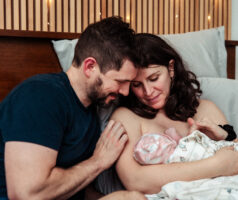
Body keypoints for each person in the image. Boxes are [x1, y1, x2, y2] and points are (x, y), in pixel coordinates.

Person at [0, 17, 146, 200]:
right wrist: (99, 162)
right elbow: (27, 194)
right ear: (90, 66)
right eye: (120, 81)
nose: (125, 91)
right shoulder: (40, 96)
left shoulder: (91, 111)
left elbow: (77, 189)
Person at [109, 33, 238, 194]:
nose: (148, 92)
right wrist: (215, 166)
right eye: (136, 84)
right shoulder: (126, 117)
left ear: (171, 68)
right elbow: (135, 181)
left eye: (154, 78)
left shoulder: (206, 109)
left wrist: (224, 137)